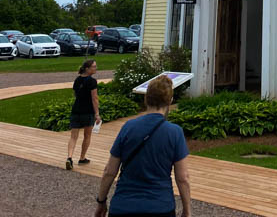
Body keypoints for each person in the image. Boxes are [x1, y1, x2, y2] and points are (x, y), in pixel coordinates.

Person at [94, 75, 191, 217]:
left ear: (146, 99)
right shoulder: (175, 132)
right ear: (170, 101)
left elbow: (109, 171)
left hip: (124, 205)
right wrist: (187, 210)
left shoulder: (128, 127)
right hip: (160, 207)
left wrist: (101, 201)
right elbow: (183, 178)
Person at [67, 58, 101, 170]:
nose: (96, 68)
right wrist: (97, 114)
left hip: (76, 110)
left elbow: (75, 94)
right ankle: (82, 158)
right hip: (88, 111)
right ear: (87, 69)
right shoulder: (92, 81)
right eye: (94, 66)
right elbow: (94, 98)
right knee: (87, 135)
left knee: (73, 136)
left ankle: (69, 157)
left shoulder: (77, 80)